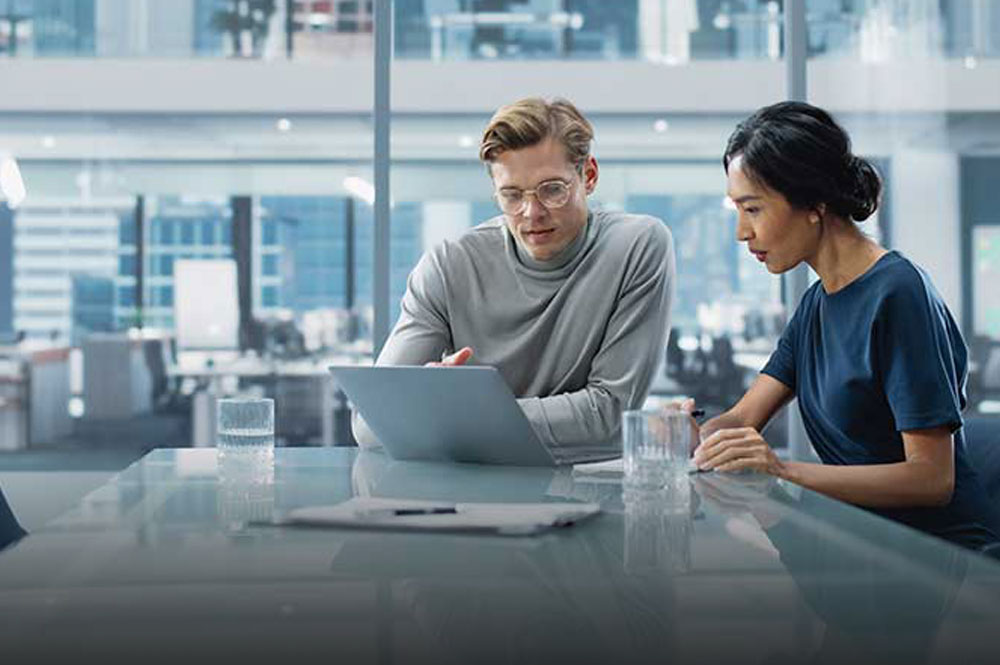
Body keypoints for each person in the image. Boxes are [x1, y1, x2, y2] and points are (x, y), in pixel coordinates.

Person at [691, 101, 1000, 552]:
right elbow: (743, 417)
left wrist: (782, 470)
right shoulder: (816, 304)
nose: (741, 232)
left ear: (814, 203)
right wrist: (693, 435)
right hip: (865, 544)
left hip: (942, 560)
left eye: (753, 209)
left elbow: (932, 478)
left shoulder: (898, 294)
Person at [353, 97, 675, 460]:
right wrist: (436, 401)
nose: (532, 212)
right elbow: (369, 422)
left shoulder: (637, 245)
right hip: (467, 496)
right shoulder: (449, 265)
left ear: (589, 176)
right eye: (511, 195)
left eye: (552, 189)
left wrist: (445, 414)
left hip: (588, 487)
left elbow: (608, 413)